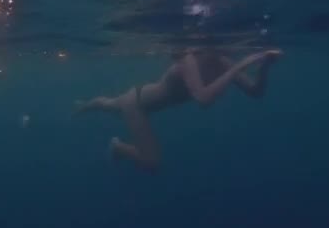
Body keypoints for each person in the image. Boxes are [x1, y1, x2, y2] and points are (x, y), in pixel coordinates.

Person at [74, 47, 282, 173]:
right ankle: (117, 145)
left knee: (108, 104)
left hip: (140, 97)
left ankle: (84, 105)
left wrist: (265, 66)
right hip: (136, 103)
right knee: (151, 163)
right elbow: (203, 99)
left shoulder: (223, 62)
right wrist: (238, 68)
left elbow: (255, 92)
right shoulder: (189, 60)